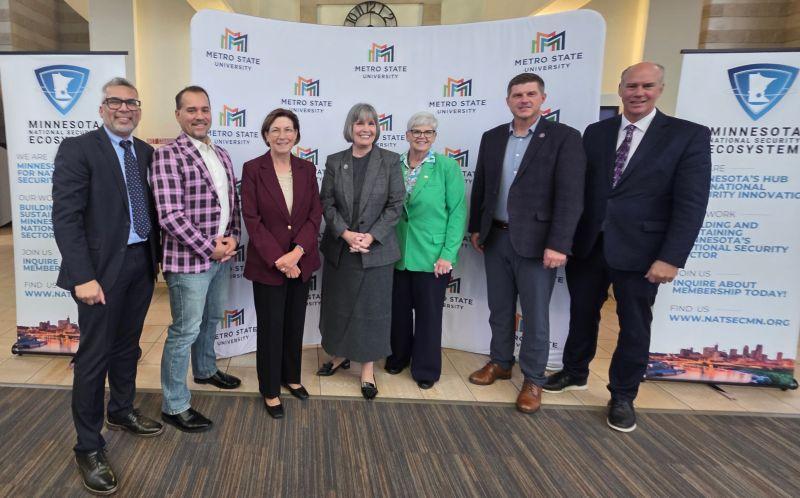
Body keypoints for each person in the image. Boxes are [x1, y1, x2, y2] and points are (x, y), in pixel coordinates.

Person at [543, 62, 711, 432]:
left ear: (660, 89)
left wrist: (671, 257)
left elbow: (692, 203)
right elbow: (579, 191)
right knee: (582, 313)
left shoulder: (687, 136)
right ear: (619, 89)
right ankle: (574, 372)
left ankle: (622, 394)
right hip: (589, 245)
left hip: (644, 252)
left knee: (634, 325)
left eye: (647, 86)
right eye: (631, 86)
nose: (638, 93)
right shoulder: (596, 133)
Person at [52, 77, 163, 495]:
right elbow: (65, 217)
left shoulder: (147, 153)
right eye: (114, 102)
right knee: (93, 357)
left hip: (141, 264)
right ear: (101, 109)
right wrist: (82, 276)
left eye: (131, 102)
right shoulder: (79, 149)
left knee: (128, 346)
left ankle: (121, 410)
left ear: (138, 109)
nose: (124, 108)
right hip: (98, 273)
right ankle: (88, 446)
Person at [468, 72, 586, 414]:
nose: (523, 99)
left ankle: (533, 379)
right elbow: (482, 186)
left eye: (530, 94)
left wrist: (559, 243)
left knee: (535, 315)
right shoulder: (491, 138)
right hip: (496, 238)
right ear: (507, 100)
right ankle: (501, 362)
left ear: (542, 99)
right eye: (517, 94)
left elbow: (570, 196)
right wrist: (478, 227)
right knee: (500, 308)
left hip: (539, 245)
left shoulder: (564, 138)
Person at [151, 85, 243, 432]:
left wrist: (233, 236)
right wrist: (209, 247)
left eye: (204, 109)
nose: (199, 115)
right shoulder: (167, 155)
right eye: (191, 110)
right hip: (189, 262)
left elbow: (231, 203)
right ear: (178, 115)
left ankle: (205, 370)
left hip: (221, 255)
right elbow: (170, 215)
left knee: (210, 319)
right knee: (184, 330)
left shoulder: (221, 153)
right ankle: (174, 404)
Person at [316, 103, 405, 399]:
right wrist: (346, 233)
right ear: (350, 128)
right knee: (338, 308)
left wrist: (370, 236)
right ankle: (340, 354)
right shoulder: (334, 161)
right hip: (341, 249)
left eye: (371, 123)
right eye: (359, 123)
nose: (365, 128)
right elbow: (326, 203)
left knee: (371, 311)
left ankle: (367, 368)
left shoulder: (391, 161)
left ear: (377, 128)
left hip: (375, 251)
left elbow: (396, 205)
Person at [241, 108, 322, 419]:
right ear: (266, 135)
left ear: (297, 135)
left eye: (288, 129)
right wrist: (279, 259)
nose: (282, 135)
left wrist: (297, 252)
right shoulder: (252, 169)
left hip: (301, 262)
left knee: (294, 324)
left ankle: (291, 377)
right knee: (272, 327)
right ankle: (270, 389)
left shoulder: (306, 168)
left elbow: (315, 215)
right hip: (268, 264)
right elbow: (252, 218)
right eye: (275, 130)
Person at [384, 111, 467, 389]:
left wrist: (448, 254)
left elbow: (457, 213)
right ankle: (398, 357)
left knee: (429, 317)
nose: (422, 136)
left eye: (428, 132)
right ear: (406, 135)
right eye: (416, 131)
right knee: (397, 312)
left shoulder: (447, 167)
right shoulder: (392, 164)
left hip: (433, 257)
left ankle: (426, 370)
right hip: (396, 253)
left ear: (434, 137)